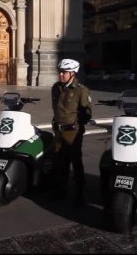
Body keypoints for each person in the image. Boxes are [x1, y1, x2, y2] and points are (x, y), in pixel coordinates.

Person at [50, 58, 92, 207]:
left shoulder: (81, 90)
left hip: (73, 133)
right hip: (59, 131)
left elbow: (87, 113)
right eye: (60, 72)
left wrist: (79, 120)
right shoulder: (56, 88)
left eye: (64, 72)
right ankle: (60, 191)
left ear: (73, 73)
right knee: (60, 163)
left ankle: (80, 195)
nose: (61, 75)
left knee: (76, 163)